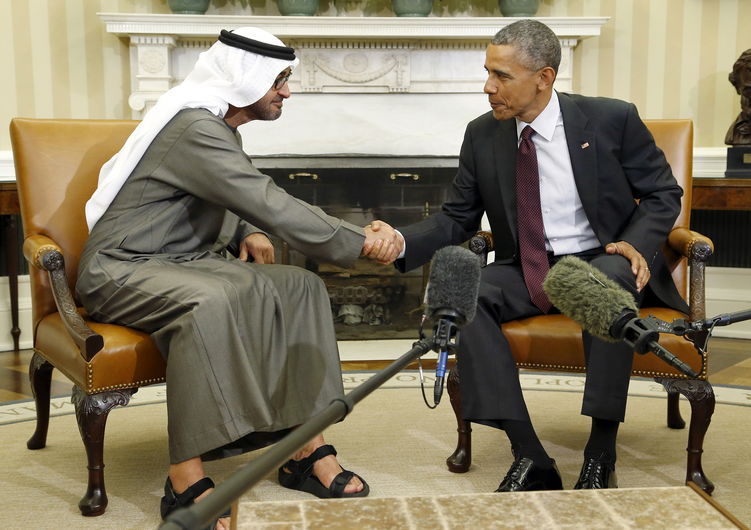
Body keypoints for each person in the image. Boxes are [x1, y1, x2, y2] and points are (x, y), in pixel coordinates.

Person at [76, 28, 399, 530]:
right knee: (215, 298)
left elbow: (213, 193)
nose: (286, 92)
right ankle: (184, 476)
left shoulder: (217, 126)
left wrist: (246, 229)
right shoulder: (196, 127)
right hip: (120, 267)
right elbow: (264, 197)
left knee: (300, 285)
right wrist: (358, 241)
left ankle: (306, 448)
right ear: (242, 77)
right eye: (280, 81)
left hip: (177, 261)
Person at [370, 19, 687, 492]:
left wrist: (635, 244)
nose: (488, 87)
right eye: (487, 73)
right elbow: (457, 217)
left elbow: (663, 193)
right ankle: (530, 454)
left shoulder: (610, 119)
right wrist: (399, 238)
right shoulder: (482, 134)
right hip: (529, 266)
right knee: (465, 296)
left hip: (602, 258)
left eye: (501, 76)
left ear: (544, 76)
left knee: (606, 281)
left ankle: (602, 450)